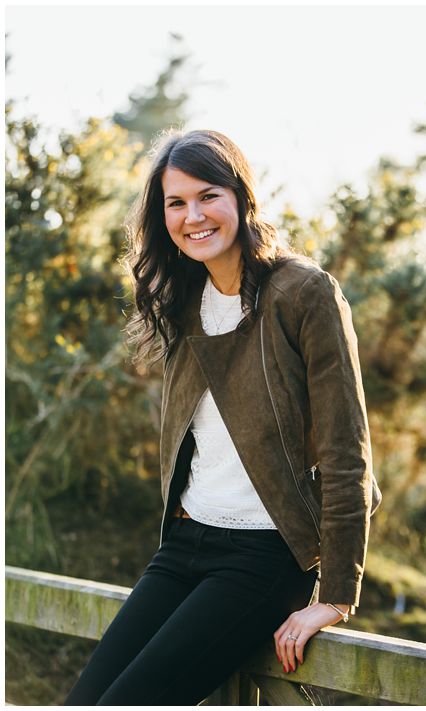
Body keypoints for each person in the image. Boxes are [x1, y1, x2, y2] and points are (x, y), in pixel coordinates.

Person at [66, 129, 380, 705]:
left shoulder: (303, 292)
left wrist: (335, 594)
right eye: (176, 203)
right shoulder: (182, 297)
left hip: (264, 557)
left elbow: (346, 448)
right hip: (184, 542)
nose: (194, 216)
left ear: (240, 196)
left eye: (208, 195)